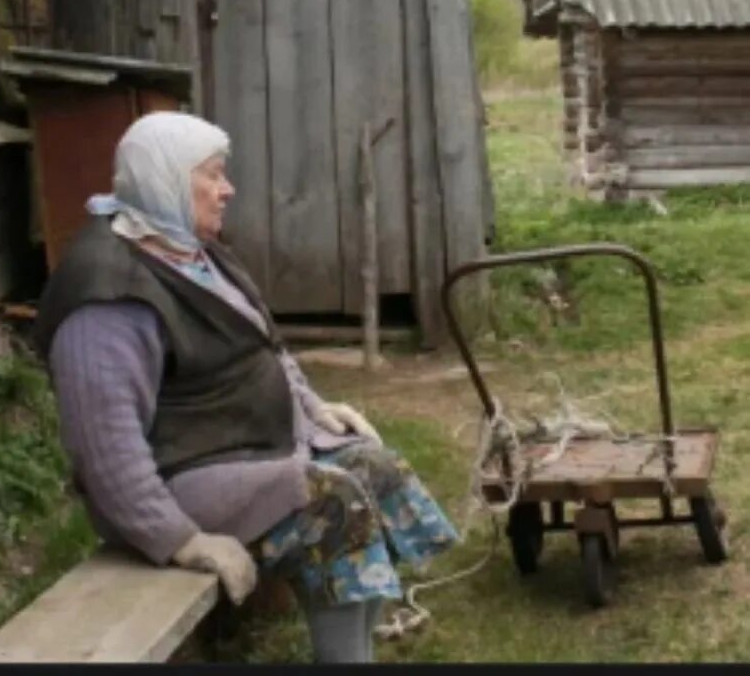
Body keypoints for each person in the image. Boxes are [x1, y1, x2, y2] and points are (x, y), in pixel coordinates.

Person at [36, 111, 459, 664]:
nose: (227, 189)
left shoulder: (191, 251)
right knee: (333, 504)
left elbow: (266, 347)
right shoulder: (107, 295)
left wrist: (313, 409)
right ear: (164, 179)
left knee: (376, 468)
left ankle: (355, 645)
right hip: (177, 485)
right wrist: (181, 539)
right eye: (211, 175)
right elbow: (105, 451)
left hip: (246, 455)